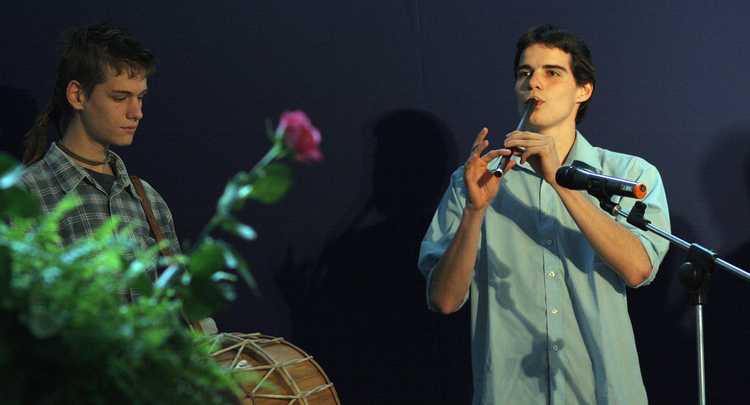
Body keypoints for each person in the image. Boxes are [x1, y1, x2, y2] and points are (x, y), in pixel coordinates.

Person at [418, 24, 670, 404]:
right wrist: (474, 211)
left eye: (552, 72)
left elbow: (637, 269)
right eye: (525, 73)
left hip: (603, 394)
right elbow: (444, 300)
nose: (533, 83)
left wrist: (559, 180)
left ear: (583, 90)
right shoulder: (473, 182)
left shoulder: (630, 174)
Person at [19, 22, 216, 333]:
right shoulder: (27, 196)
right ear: (77, 95)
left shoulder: (148, 199)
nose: (136, 112)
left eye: (140, 97)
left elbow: (182, 313)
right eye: (120, 97)